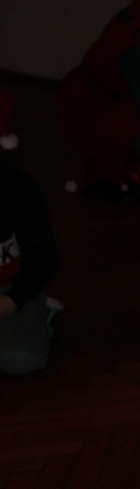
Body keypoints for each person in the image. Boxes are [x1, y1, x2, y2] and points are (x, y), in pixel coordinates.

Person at [0, 148, 59, 376]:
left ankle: (40, 317)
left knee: (22, 359)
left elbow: (44, 257)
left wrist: (13, 299)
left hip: (10, 289)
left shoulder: (17, 187)